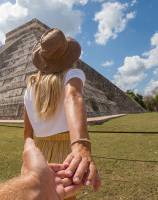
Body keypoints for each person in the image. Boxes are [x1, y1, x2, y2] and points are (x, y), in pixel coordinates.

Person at [23, 28, 101, 199]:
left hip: (38, 150)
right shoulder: (72, 74)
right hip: (65, 151)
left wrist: (27, 152)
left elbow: (27, 130)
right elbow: (73, 96)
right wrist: (80, 144)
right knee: (63, 195)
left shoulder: (31, 85)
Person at [0, 138, 84, 199]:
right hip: (62, 154)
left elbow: (28, 135)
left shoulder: (28, 97)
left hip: (43, 151)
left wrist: (33, 185)